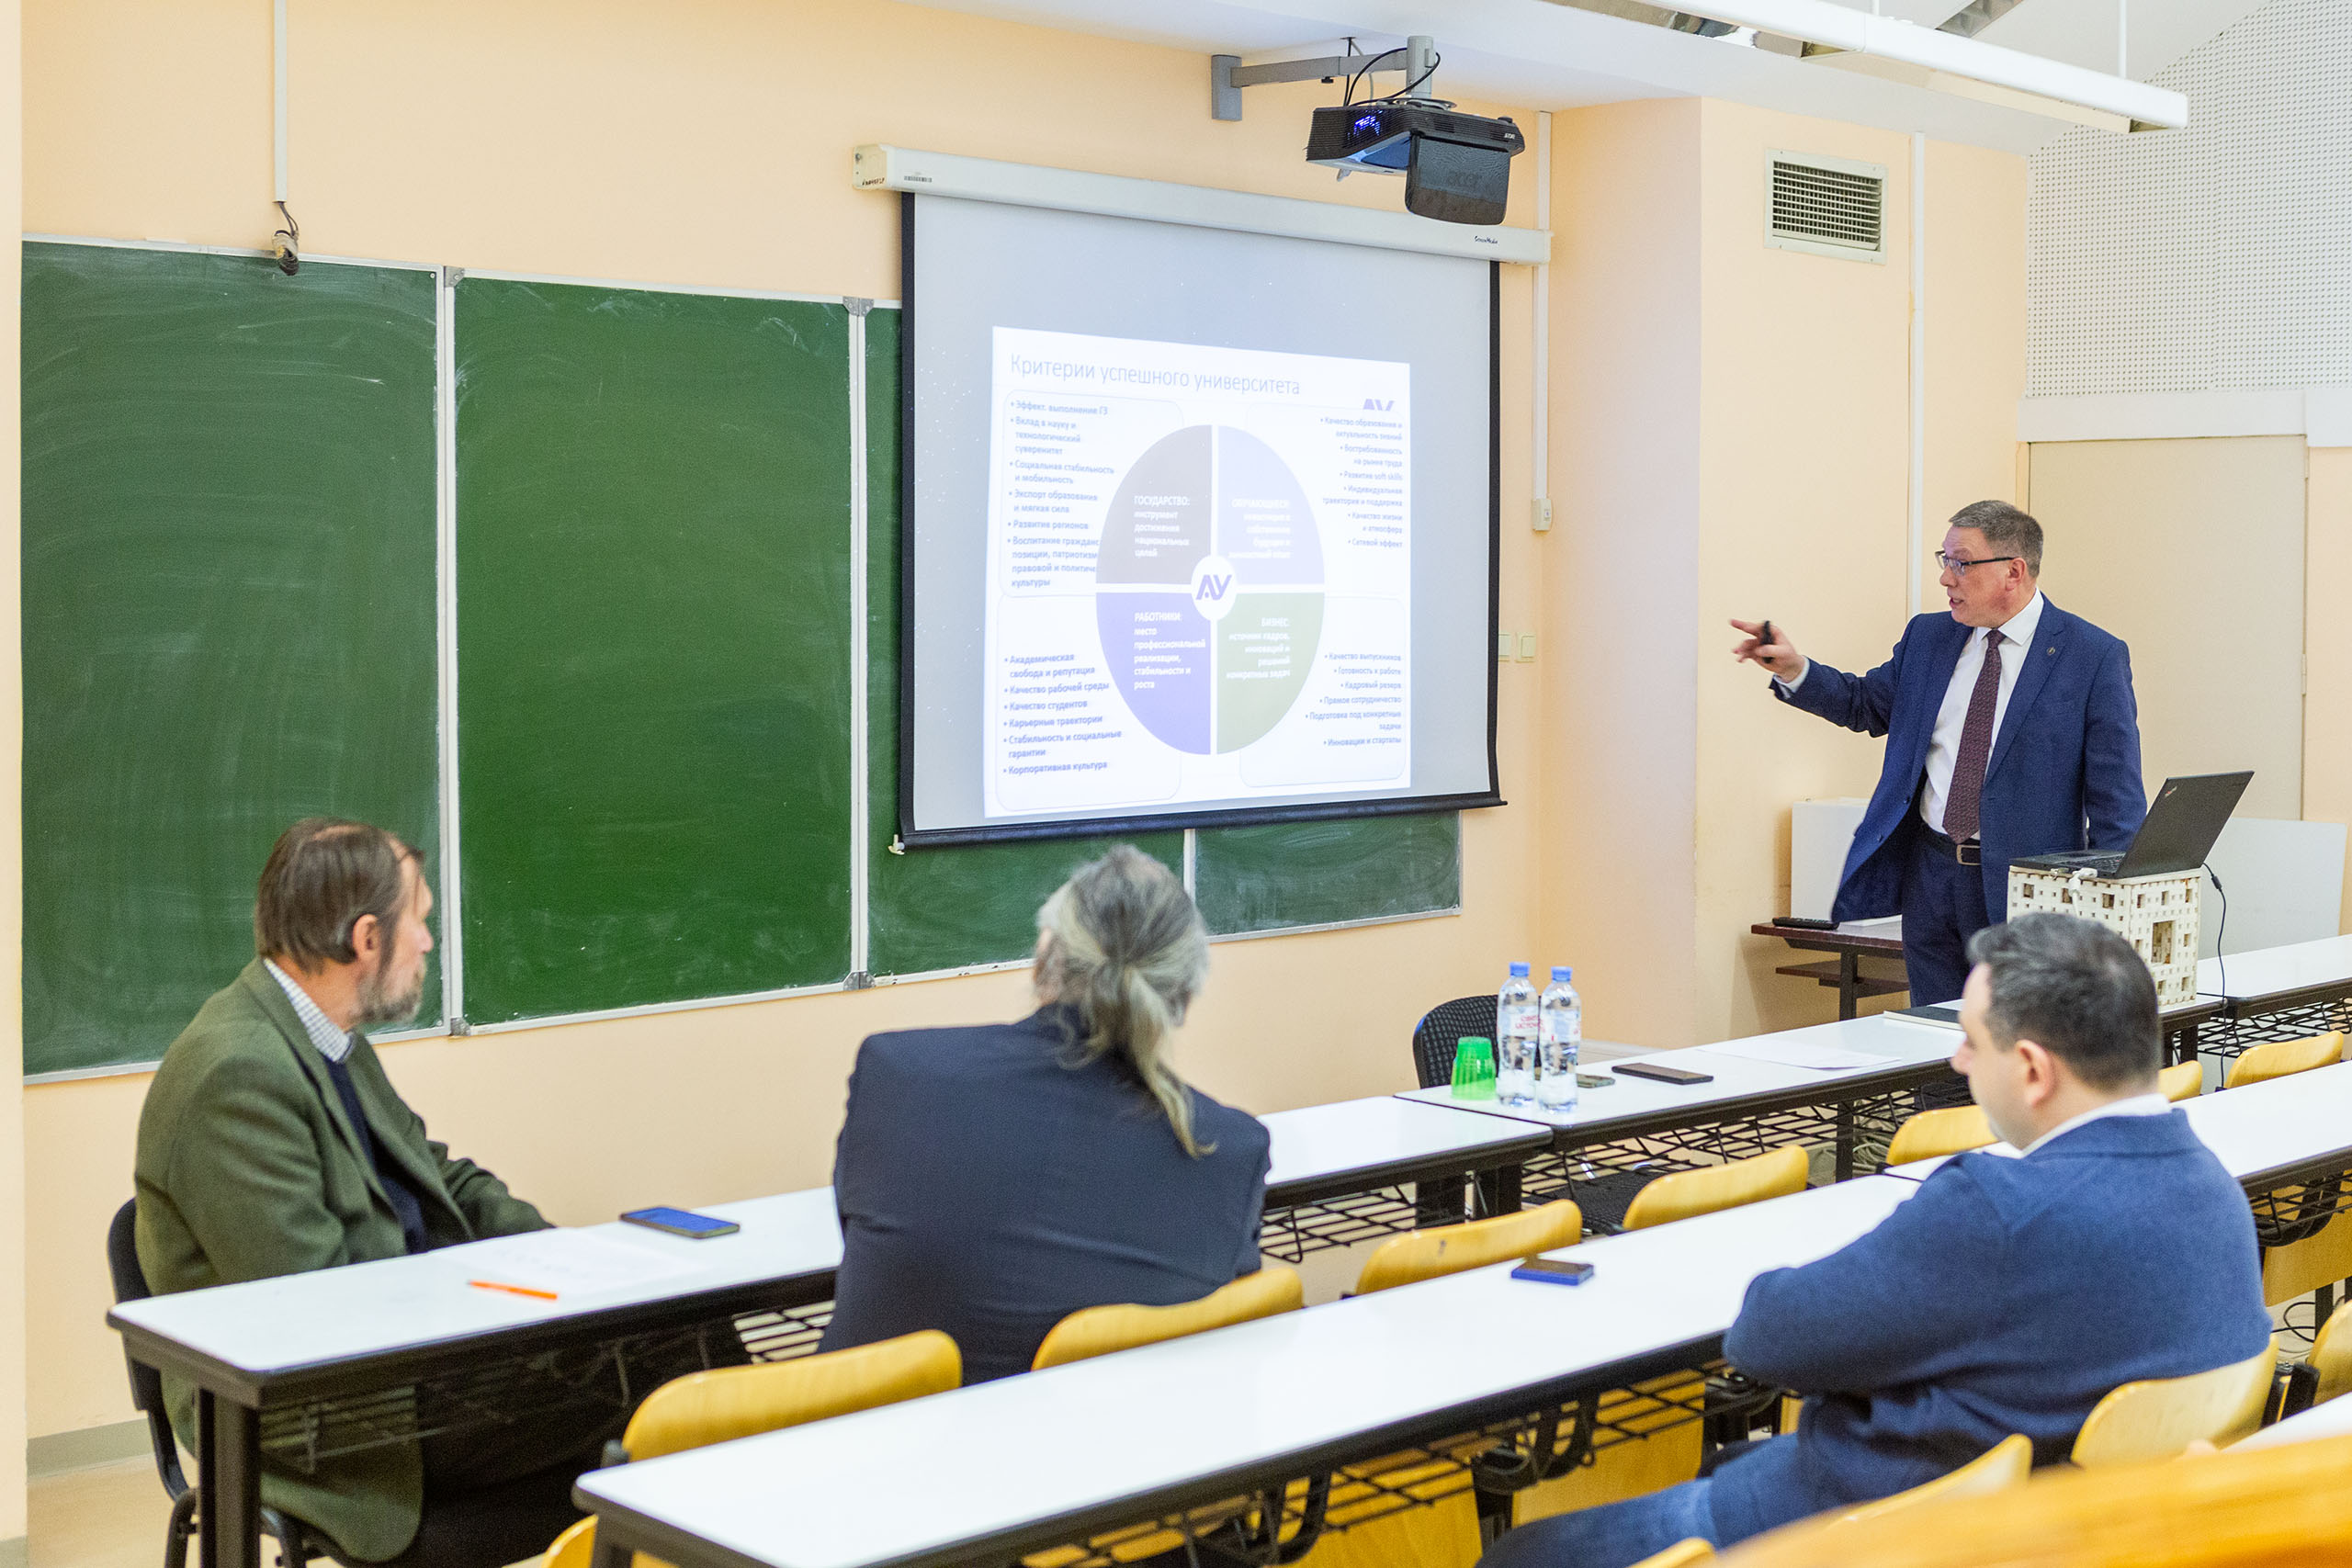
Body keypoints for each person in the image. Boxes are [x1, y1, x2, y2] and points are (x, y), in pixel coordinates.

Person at [1477, 912, 2271, 1568]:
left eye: (1972, 1040)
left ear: (2032, 1069)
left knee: (1520, 1554)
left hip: (1868, 1529)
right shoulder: (2213, 1189)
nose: (1958, 1058)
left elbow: (1767, 1338)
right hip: (2071, 1528)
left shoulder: (1997, 1209)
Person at [135, 818, 731, 1567]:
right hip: (334, 1410)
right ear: (366, 939)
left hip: (412, 1359)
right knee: (680, 1363)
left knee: (682, 1332)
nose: (427, 940)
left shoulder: (322, 1033)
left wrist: (566, 1255)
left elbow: (437, 1172)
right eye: (417, 919)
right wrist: (490, 1307)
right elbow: (318, 1306)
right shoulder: (234, 1073)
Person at [820, 843, 1272, 1384]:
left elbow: (868, 1241)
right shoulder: (1229, 1150)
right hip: (1115, 1434)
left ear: (1043, 962)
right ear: (1184, 998)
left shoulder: (901, 1074)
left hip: (874, 1427)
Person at [1732, 500, 2145, 1005]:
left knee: (2015, 1032)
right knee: (1933, 1031)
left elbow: (2116, 799)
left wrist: (2114, 914)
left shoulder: (2092, 655)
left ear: (2013, 571)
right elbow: (1867, 704)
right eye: (1944, 560)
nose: (1946, 578)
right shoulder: (1928, 637)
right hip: (1930, 873)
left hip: (2027, 891)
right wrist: (1795, 669)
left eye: (1961, 563)